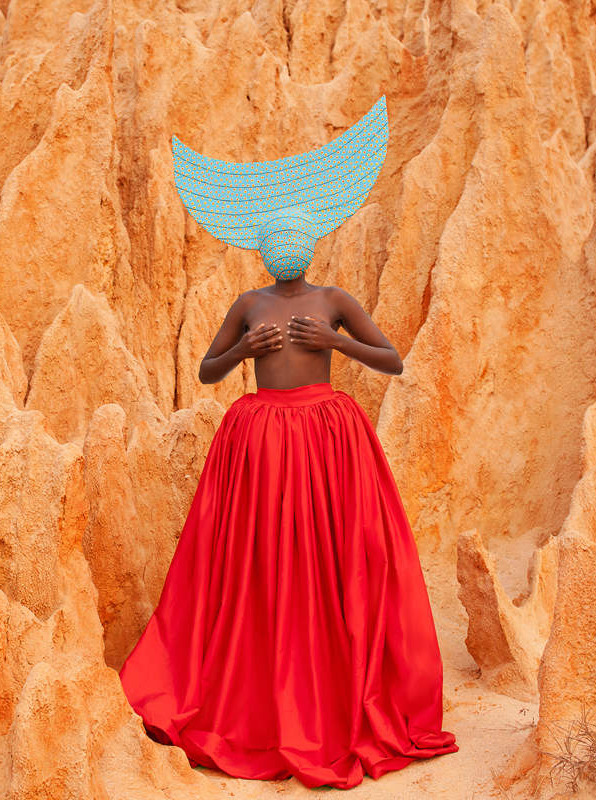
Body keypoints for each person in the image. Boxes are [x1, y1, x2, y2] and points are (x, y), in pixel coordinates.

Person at [118, 97, 458, 789]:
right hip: (261, 440)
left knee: (337, 561)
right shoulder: (250, 303)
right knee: (259, 563)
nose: (286, 251)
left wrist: (334, 342)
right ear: (265, 249)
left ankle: (331, 697)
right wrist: (248, 346)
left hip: (328, 437)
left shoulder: (333, 298)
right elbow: (209, 370)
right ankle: (263, 700)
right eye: (277, 241)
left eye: (294, 239)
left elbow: (390, 358)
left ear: (310, 242)